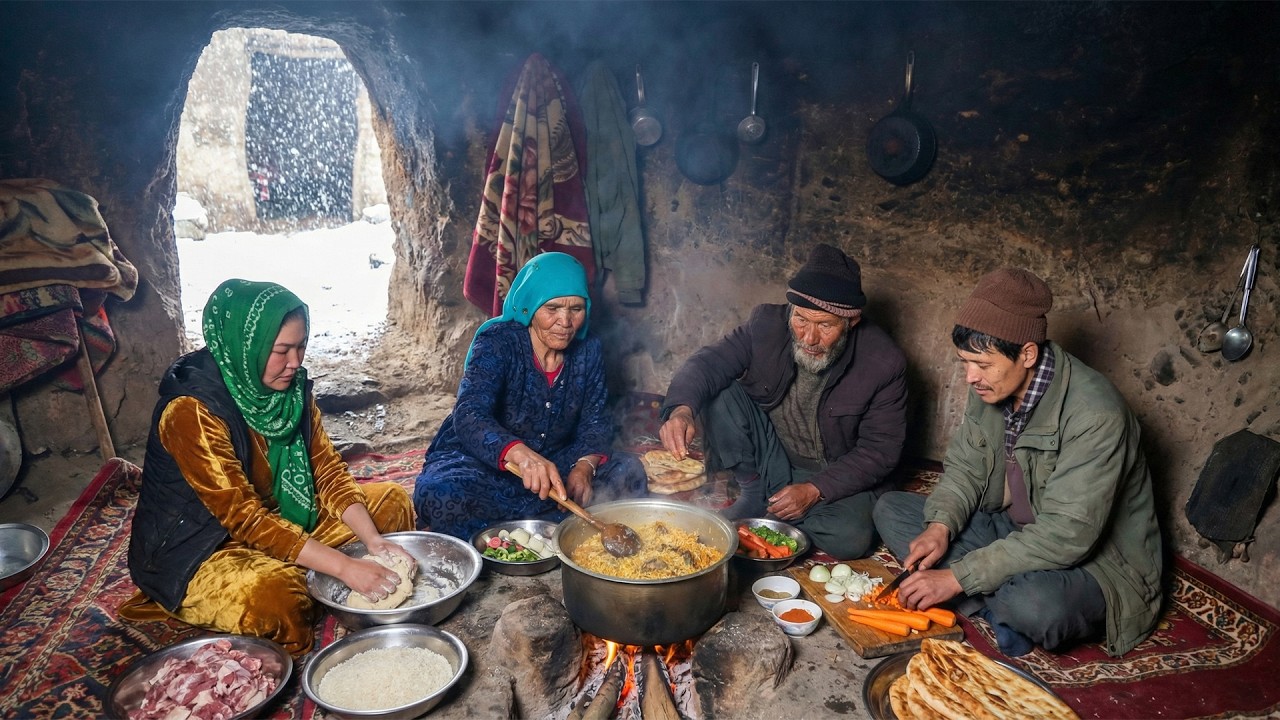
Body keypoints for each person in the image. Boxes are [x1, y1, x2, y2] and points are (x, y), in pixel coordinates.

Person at [872, 268, 1163, 658]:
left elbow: (1065, 537)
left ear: (1027, 354)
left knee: (1036, 606)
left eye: (983, 364)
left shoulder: (1096, 415)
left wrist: (959, 577)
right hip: (1015, 533)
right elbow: (965, 469)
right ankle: (998, 603)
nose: (970, 377)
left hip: (1096, 562)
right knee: (892, 508)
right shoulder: (991, 385)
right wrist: (940, 526)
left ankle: (1000, 604)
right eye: (964, 362)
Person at [122, 279, 415, 656]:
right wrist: (344, 567)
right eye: (281, 350)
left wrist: (373, 542)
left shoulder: (291, 390)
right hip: (206, 543)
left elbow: (326, 470)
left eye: (301, 346)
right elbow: (243, 517)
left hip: (283, 512)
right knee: (274, 598)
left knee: (391, 502)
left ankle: (315, 570)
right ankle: (313, 574)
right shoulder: (191, 412)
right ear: (248, 348)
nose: (295, 363)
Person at [659, 243, 908, 559]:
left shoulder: (883, 362)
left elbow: (880, 450)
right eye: (801, 320)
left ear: (851, 322)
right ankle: (754, 491)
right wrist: (681, 409)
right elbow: (708, 363)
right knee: (719, 391)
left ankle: (780, 509)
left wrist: (815, 491)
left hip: (832, 469)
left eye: (825, 325)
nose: (808, 338)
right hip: (772, 452)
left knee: (850, 538)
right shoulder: (767, 324)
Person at [414, 252, 646, 540]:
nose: (565, 321)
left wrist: (584, 467)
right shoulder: (499, 342)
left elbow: (595, 419)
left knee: (630, 471)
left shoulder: (588, 350)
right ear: (530, 306)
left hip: (556, 459)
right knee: (438, 493)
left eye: (576, 308)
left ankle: (529, 526)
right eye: (552, 308)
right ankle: (551, 525)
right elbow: (470, 414)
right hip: (487, 462)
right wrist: (522, 456)